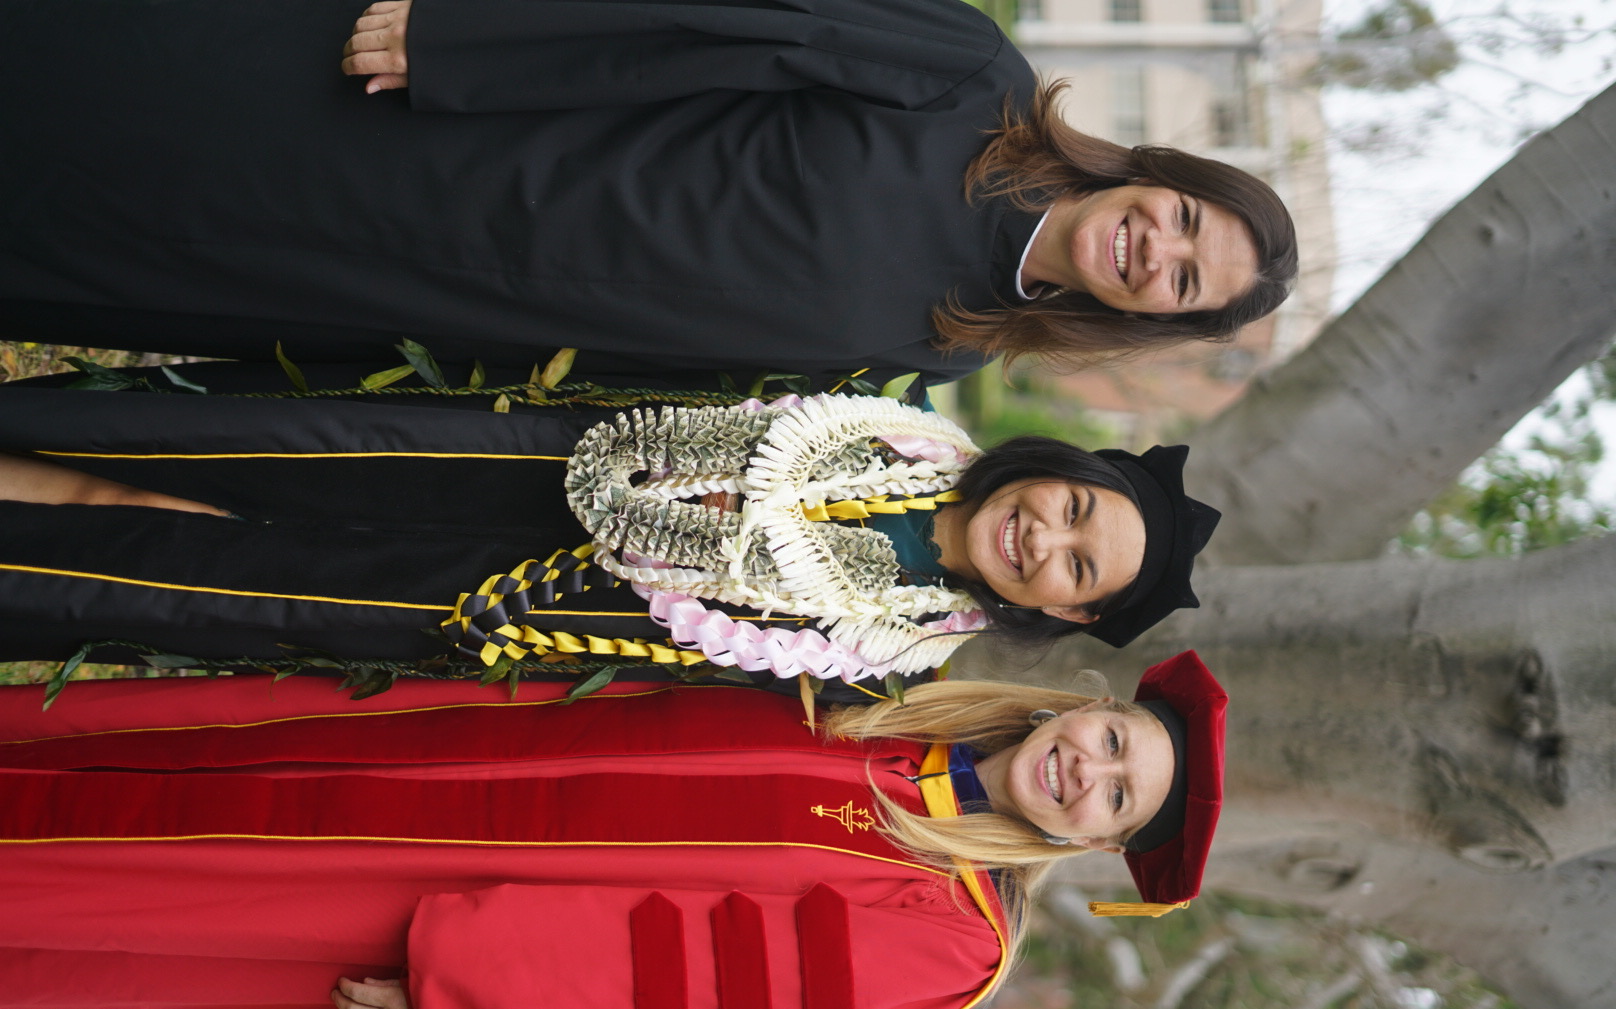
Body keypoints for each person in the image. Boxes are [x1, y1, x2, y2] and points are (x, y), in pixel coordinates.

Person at [0, 650, 1228, 1009]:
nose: (1087, 771)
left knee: (123, 884)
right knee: (141, 760)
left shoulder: (953, 937)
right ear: (1084, 706)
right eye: (1111, 744)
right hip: (423, 748)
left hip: (395, 899)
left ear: (1095, 845)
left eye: (1117, 801)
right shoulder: (896, 709)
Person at [0, 0, 1297, 389]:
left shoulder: (939, 354)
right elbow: (717, 23)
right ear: (1160, 177)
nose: (1157, 251)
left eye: (1185, 284)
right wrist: (468, 43)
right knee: (114, 95)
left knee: (113, 246)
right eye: (1185, 219)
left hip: (399, 282)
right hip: (436, 129)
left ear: (1151, 320)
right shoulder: (973, 76)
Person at [0, 369, 1218, 697]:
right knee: (199, 458)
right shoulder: (874, 412)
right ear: (1055, 470)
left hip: (492, 607)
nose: (1042, 538)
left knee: (182, 578)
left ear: (1062, 613)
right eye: (1070, 508)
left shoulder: (878, 669)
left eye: (1074, 568)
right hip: (508, 467)